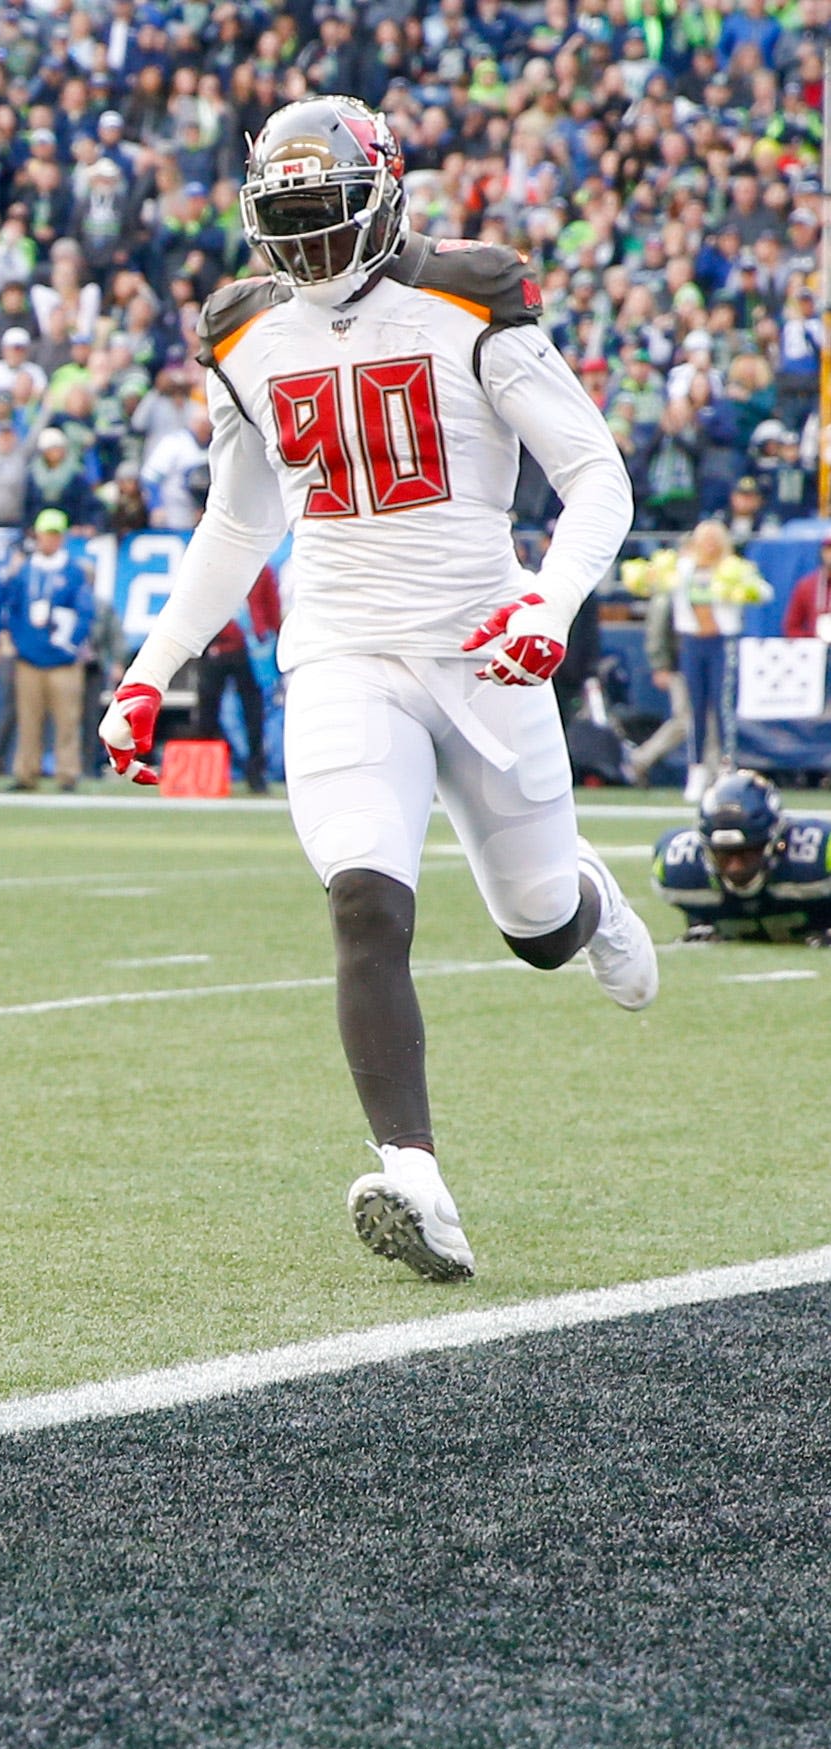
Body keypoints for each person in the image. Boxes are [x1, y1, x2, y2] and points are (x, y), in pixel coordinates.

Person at [97, 95, 658, 1282]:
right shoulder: (246, 332)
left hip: (483, 646)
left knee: (539, 930)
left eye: (321, 214)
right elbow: (238, 523)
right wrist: (151, 670)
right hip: (342, 652)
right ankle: (415, 1177)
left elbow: (594, 477)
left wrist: (544, 608)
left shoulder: (468, 296)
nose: (302, 247)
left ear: (383, 194)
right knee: (365, 903)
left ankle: (592, 905)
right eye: (282, 220)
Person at [621, 523, 774, 799]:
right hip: (691, 643)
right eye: (705, 540)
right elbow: (650, 584)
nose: (710, 546)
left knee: (721, 707)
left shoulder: (731, 568)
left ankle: (726, 769)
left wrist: (741, 589)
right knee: (694, 710)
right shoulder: (683, 569)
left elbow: (763, 592)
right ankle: (697, 769)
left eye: (715, 541)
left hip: (720, 642)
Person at [650, 772, 831, 945]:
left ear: (775, 841)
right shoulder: (679, 868)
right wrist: (699, 922)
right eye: (723, 854)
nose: (735, 867)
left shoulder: (816, 855)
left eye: (747, 852)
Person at [0, 509, 93, 791]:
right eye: (45, 534)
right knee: (29, 721)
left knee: (67, 721)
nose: (49, 540)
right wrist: (16, 640)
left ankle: (67, 773)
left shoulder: (73, 572)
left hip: (63, 660)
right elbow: (12, 608)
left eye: (55, 535)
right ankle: (26, 772)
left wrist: (73, 642)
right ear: (37, 535)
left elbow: (85, 611)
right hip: (29, 658)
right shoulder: (25, 571)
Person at [190, 564, 283, 794]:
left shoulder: (260, 569)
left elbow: (271, 608)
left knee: (254, 714)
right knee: (207, 711)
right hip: (216, 644)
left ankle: (255, 773)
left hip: (248, 649)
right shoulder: (213, 566)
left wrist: (274, 637)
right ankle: (204, 773)